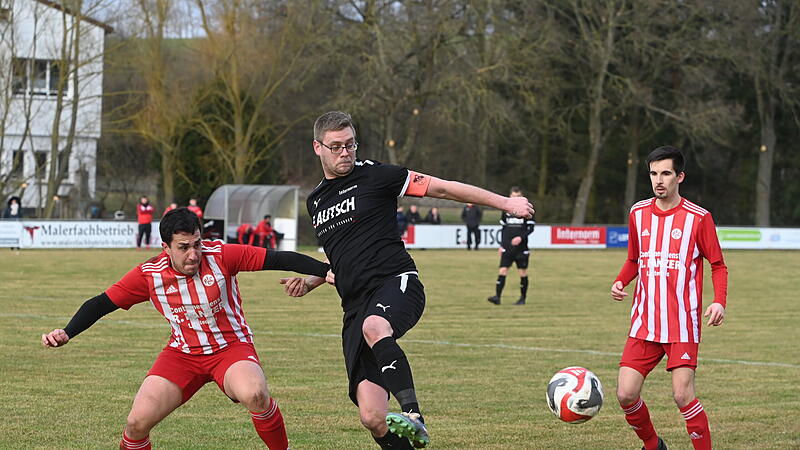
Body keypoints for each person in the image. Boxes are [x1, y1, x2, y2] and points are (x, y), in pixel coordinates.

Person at [280, 111, 533, 449]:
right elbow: (341, 256)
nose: (345, 153)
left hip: (395, 282)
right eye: (336, 146)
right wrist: (312, 280)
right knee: (372, 415)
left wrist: (505, 203)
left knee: (375, 327)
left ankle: (414, 415)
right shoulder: (315, 201)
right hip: (354, 306)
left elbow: (442, 188)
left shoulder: (378, 176)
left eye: (350, 145)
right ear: (318, 147)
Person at [41, 207, 330, 450]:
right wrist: (67, 332)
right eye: (183, 247)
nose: (193, 254)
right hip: (182, 355)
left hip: (230, 348)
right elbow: (101, 303)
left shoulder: (222, 255)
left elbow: (279, 258)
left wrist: (326, 271)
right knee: (136, 422)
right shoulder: (149, 275)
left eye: (197, 244)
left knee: (255, 394)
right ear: (165, 248)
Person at [610, 146, 727, 450]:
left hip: (682, 324)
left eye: (665, 173)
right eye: (653, 173)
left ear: (680, 176)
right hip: (645, 321)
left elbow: (717, 265)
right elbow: (635, 259)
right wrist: (621, 281)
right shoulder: (638, 212)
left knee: (682, 395)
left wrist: (719, 300)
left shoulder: (698, 218)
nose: (658, 180)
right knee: (625, 394)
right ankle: (653, 445)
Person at [487, 187, 536, 306]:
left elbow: (531, 228)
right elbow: (504, 229)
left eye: (517, 196)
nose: (515, 198)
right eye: (513, 196)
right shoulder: (505, 211)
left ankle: (522, 298)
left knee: (522, 272)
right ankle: (497, 297)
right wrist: (501, 245)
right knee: (503, 270)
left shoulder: (526, 210)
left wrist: (520, 238)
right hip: (508, 248)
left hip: (521, 249)